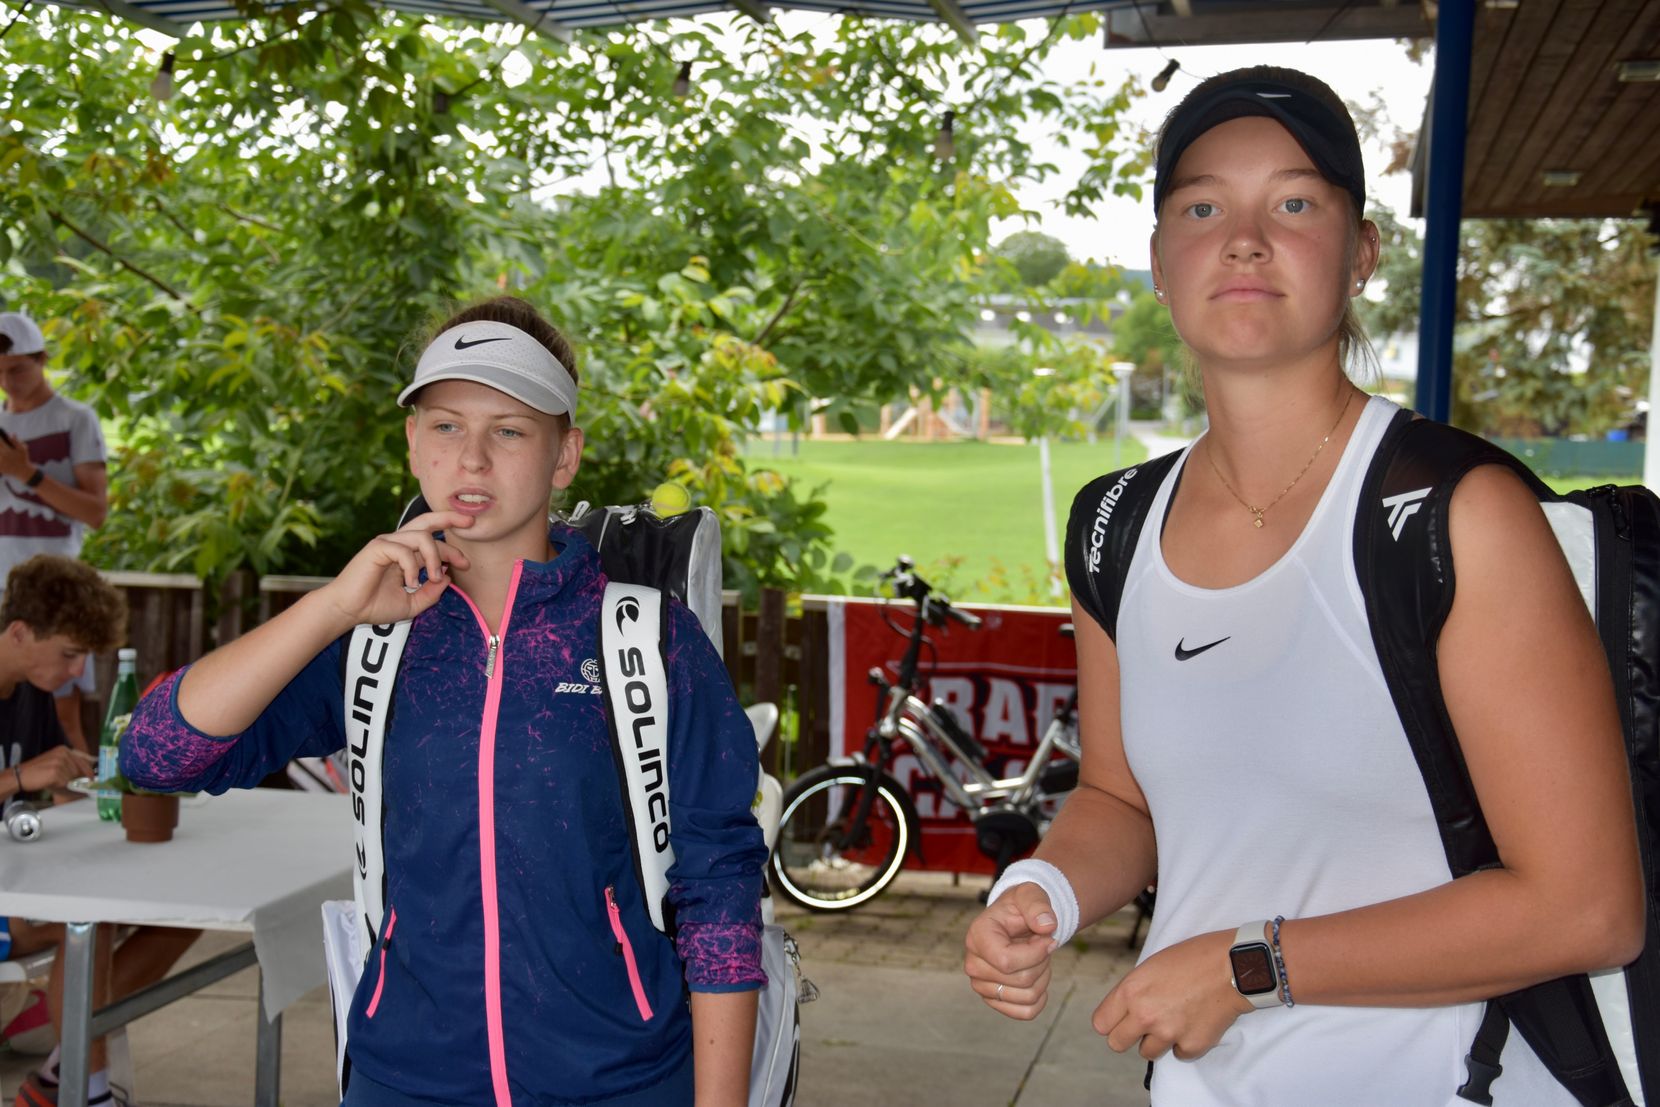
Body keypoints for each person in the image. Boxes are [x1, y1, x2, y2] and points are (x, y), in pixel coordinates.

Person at [962, 66, 1644, 1105]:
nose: (1242, 238)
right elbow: (1118, 797)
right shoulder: (1113, 525)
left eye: (1292, 203)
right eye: (1201, 206)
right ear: (1157, 261)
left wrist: (1247, 966)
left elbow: (1586, 909)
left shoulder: (1456, 514)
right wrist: (1044, 888)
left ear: (1360, 251)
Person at [118, 296, 766, 1107]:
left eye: (510, 430)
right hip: (405, 1079)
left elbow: (721, 887)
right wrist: (334, 609)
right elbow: (155, 756)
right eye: (447, 426)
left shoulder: (645, 635)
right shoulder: (374, 638)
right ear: (413, 442)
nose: (474, 461)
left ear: (565, 454)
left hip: (621, 1081)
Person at [0, 555, 198, 1107]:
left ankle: (62, 1071)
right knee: (84, 925)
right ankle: (82, 1091)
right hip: (9, 897)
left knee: (178, 915)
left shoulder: (32, 693)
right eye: (69, 653)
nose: (77, 669)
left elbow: (57, 797)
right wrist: (22, 776)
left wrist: (93, 787)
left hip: (15, 877)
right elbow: (27, 779)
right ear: (18, 632)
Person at [0, 312, 110, 753]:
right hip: (4, 591)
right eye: (0, 372)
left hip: (52, 595)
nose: (8, 381)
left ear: (43, 358)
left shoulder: (75, 419)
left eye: (18, 369)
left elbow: (96, 511)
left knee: (62, 720)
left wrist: (26, 473)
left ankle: (77, 811)